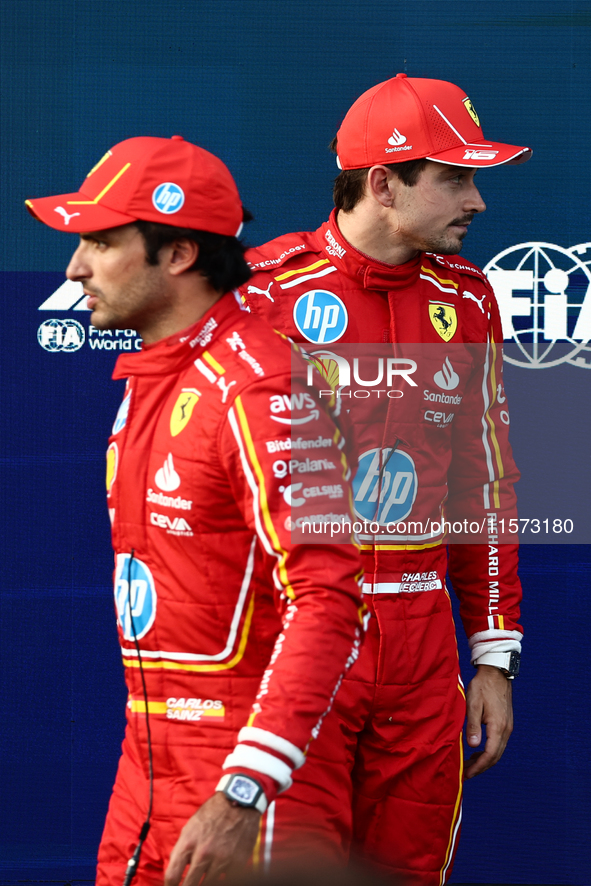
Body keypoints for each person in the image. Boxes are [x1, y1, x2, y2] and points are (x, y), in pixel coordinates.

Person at [26, 135, 365, 886]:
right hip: (146, 765)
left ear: (177, 255)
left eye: (101, 241)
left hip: (248, 787)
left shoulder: (260, 387)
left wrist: (246, 789)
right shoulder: (151, 375)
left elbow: (330, 598)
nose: (75, 267)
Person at [239, 75, 528, 885]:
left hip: (422, 646)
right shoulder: (262, 292)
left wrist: (494, 657)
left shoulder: (468, 299)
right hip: (301, 638)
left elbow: (489, 486)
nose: (477, 203)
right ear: (382, 183)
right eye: (455, 179)